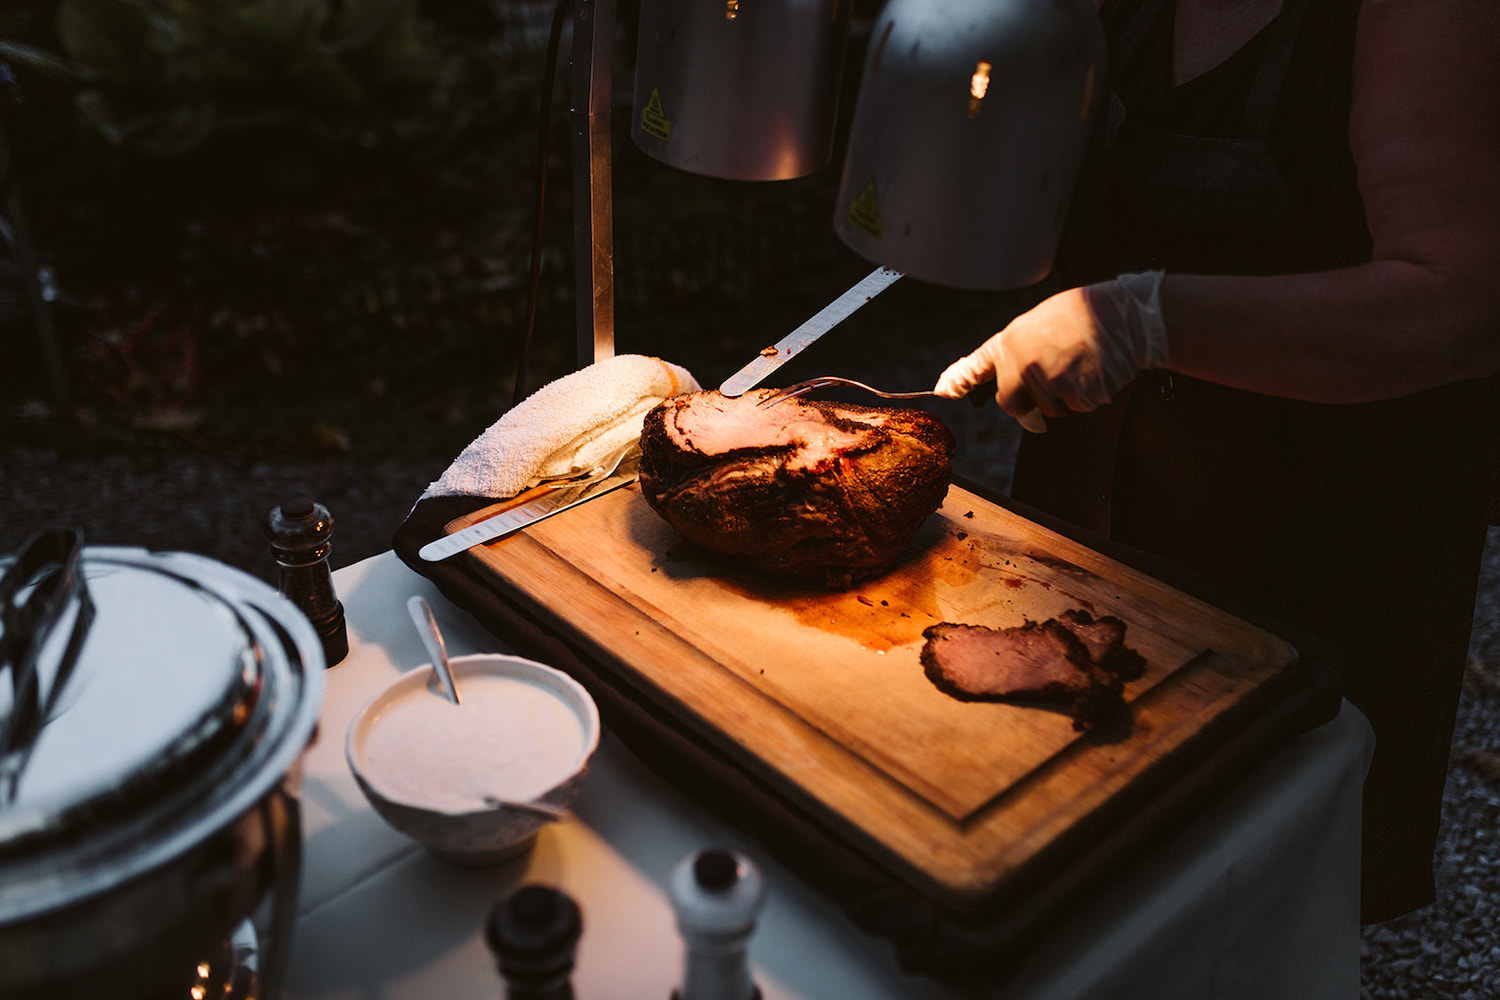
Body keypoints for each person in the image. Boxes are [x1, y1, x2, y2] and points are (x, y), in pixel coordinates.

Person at [934, 0, 1500, 923]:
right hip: (1098, 507)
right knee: (1072, 875)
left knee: (1249, 905)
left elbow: (1460, 307)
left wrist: (1143, 321)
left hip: (1311, 535)